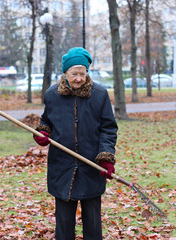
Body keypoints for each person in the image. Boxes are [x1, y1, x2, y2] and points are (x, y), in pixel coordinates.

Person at [33, 47, 118, 239]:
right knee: (63, 223)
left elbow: (108, 128)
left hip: (91, 166)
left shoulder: (99, 94)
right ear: (65, 73)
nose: (79, 78)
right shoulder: (53, 95)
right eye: (74, 74)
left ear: (88, 72)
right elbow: (46, 120)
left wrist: (106, 157)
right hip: (62, 168)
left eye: (83, 73)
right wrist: (43, 133)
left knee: (93, 223)